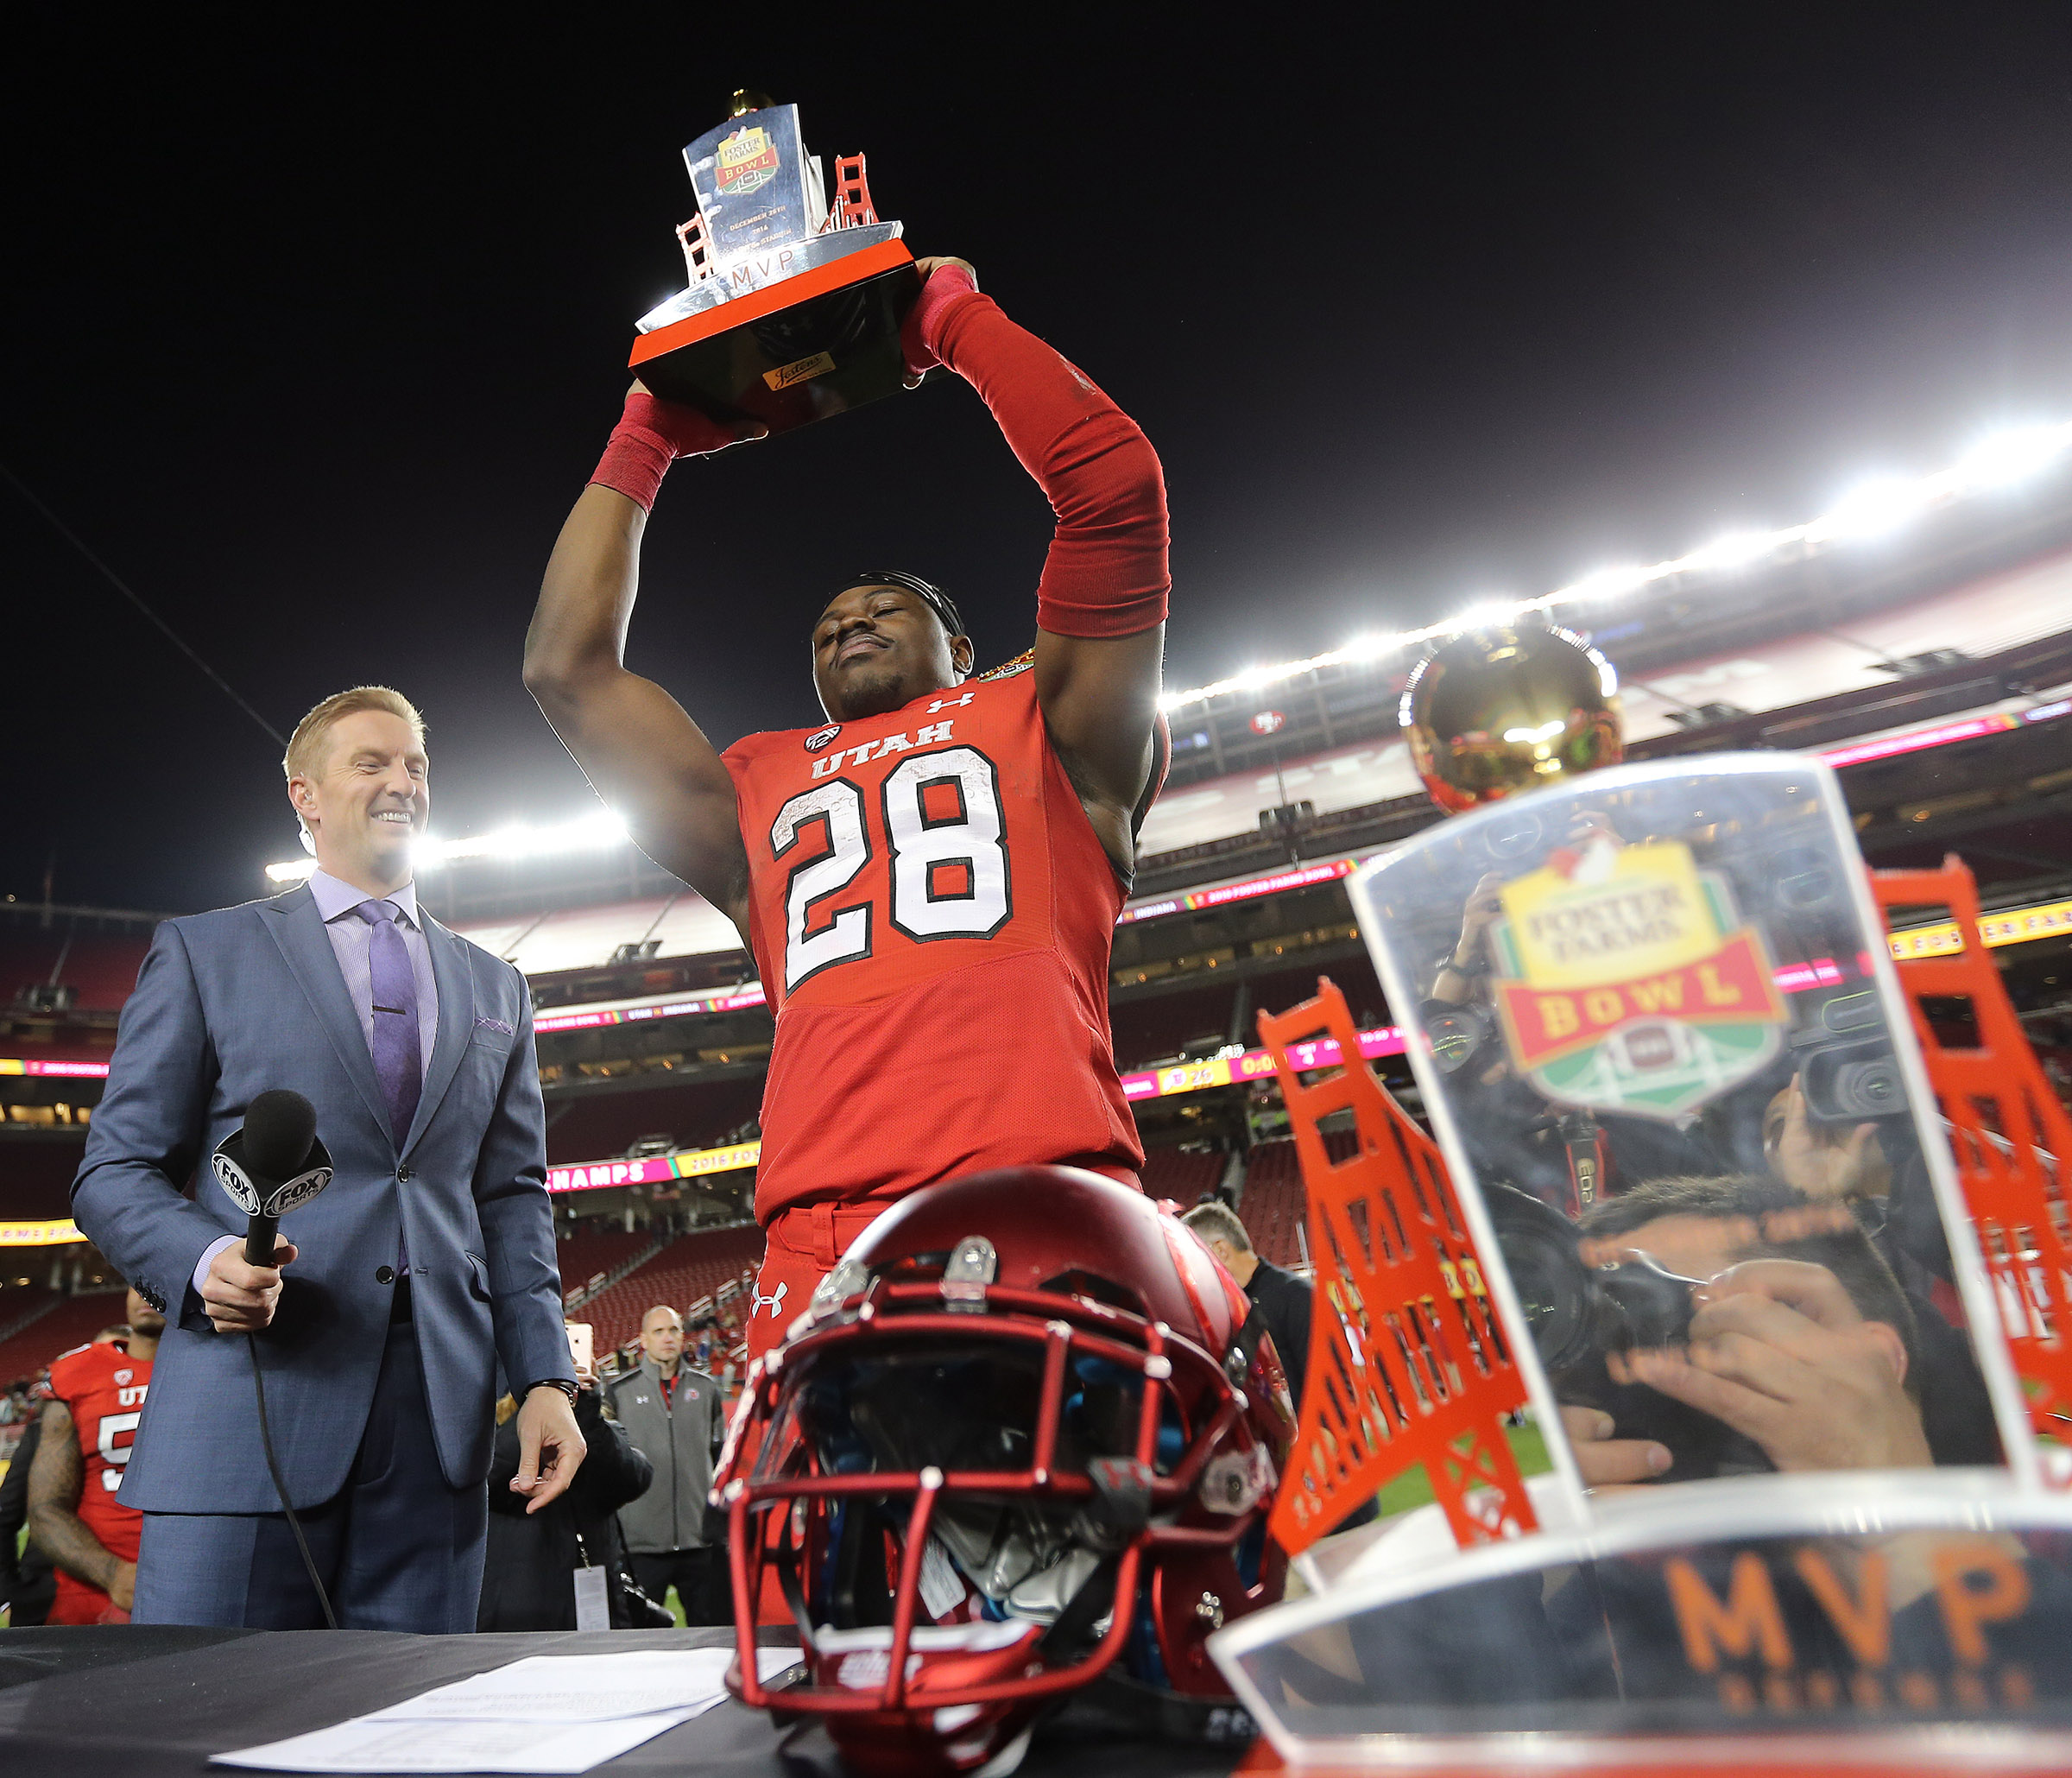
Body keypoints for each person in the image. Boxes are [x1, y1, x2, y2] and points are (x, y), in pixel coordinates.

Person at [524, 256, 1171, 1361]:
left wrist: (951, 318)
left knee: (1087, 1516)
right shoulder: (756, 778)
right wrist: (646, 435)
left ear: (963, 651)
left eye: (883, 608)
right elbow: (565, 670)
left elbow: (1113, 489)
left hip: (1040, 1187)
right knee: (824, 1535)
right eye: (825, 624)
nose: (846, 623)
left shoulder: (1049, 718)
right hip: (822, 1237)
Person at [71, 686, 582, 1632]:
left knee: (408, 1740)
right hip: (247, 1401)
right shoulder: (205, 952)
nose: (402, 782)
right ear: (304, 794)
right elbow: (114, 1171)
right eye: (372, 762)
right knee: (206, 1730)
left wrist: (546, 1377)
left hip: (437, 1432)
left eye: (416, 765)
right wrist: (201, 1260)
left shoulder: (495, 984)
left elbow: (512, 1198)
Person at [477, 1346, 653, 1631]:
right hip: (516, 1604)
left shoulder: (598, 1423)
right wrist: (538, 1406)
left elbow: (635, 1480)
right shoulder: (490, 1421)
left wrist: (585, 1409)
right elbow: (487, 1481)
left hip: (591, 1598)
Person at [25, 1289, 160, 1623]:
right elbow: (46, 1508)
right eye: (136, 1280)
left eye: (158, 1278)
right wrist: (113, 1574)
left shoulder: (229, 1370)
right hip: (94, 1593)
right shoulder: (78, 1373)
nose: (145, 1289)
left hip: (201, 1584)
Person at [609, 1305, 724, 1624]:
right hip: (642, 1544)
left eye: (673, 1330)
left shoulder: (706, 1390)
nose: (667, 1338)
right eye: (658, 1331)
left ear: (683, 1336)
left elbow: (719, 1457)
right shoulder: (620, 1393)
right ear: (643, 1340)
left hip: (698, 1539)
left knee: (713, 1639)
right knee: (643, 1644)